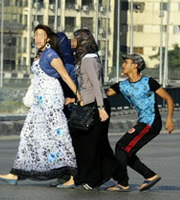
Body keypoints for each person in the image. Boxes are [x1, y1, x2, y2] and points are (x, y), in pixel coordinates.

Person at [0, 24, 79, 186]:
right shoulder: (41, 54)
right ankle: (16, 173)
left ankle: (72, 175)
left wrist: (78, 97)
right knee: (28, 135)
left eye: (41, 35)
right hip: (39, 102)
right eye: (35, 35)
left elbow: (66, 77)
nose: (37, 38)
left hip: (51, 100)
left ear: (48, 38)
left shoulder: (51, 55)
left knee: (59, 136)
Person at [106, 53, 174, 192]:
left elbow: (168, 99)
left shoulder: (148, 82)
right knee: (126, 152)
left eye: (126, 62)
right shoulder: (122, 85)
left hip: (151, 122)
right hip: (142, 121)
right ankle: (150, 176)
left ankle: (122, 183)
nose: (123, 65)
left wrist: (169, 119)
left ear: (135, 66)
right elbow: (104, 94)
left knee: (121, 146)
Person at [61, 29, 117, 190]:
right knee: (94, 144)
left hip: (94, 106)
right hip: (88, 103)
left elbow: (96, 85)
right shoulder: (89, 58)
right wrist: (76, 98)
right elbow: (87, 86)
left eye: (75, 40)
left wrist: (100, 108)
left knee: (85, 144)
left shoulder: (89, 60)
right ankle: (99, 176)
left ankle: (90, 178)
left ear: (83, 41)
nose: (73, 43)